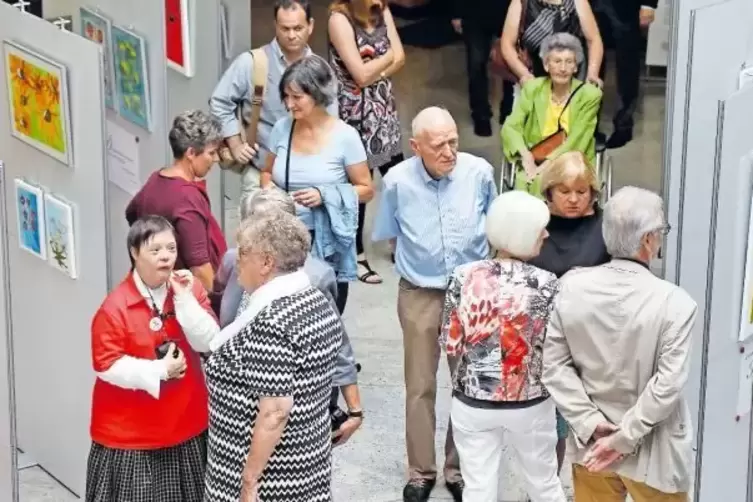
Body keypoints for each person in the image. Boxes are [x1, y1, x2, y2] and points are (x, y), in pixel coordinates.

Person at [372, 106, 497, 502]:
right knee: (420, 385)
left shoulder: (479, 173)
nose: (449, 151)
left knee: (469, 383)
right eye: (439, 145)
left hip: (470, 293)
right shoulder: (396, 182)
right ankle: (420, 472)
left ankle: (458, 470)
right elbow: (390, 236)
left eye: (453, 141)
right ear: (415, 147)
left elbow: (495, 225)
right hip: (419, 292)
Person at [542, 186, 696, 501]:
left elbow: (554, 366)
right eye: (661, 231)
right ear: (648, 239)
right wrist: (624, 439)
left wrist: (590, 422)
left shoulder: (570, 288)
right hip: (657, 452)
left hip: (593, 448)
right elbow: (666, 386)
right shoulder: (676, 303)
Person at [203, 212, 343, 501]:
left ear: (266, 262)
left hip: (271, 479)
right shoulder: (314, 300)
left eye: (243, 252)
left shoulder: (272, 322)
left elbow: (275, 412)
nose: (236, 260)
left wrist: (250, 480)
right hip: (308, 463)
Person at [442, 191, 567, 502]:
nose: (547, 234)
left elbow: (451, 342)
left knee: (478, 488)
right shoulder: (548, 282)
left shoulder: (462, 276)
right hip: (531, 402)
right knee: (544, 486)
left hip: (473, 401)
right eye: (541, 227)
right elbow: (556, 346)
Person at [214, 188, 364, 445]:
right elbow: (219, 317)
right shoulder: (233, 261)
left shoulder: (315, 276)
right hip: (233, 405)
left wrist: (354, 409)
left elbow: (336, 342)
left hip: (290, 408)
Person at [86, 216, 218, 502]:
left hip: (186, 424)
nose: (166, 256)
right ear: (135, 253)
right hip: (130, 436)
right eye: (155, 250)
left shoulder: (189, 288)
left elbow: (209, 341)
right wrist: (158, 370)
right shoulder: (115, 307)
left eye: (171, 248)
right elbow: (105, 364)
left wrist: (185, 301)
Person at [260, 54, 374, 314]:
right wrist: (269, 190)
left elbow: (366, 190)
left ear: (318, 94)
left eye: (297, 97)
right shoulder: (281, 129)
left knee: (326, 314)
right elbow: (266, 172)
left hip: (325, 241)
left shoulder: (345, 137)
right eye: (286, 96)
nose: (290, 104)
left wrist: (324, 195)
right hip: (283, 237)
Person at [527, 151, 610, 471]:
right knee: (549, 428)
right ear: (549, 193)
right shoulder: (535, 225)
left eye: (582, 191)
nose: (574, 199)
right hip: (544, 341)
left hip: (593, 341)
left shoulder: (607, 227)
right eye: (564, 192)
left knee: (593, 427)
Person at [209, 0, 337, 197]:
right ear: (275, 25)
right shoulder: (253, 63)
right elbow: (220, 101)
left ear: (310, 26)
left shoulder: (322, 70)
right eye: (285, 28)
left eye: (298, 28)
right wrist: (235, 144)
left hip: (307, 178)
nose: (292, 35)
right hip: (260, 175)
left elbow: (331, 124)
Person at [329, 0, 406, 285]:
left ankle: (399, 243)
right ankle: (356, 254)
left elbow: (401, 57)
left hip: (385, 115)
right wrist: (385, 63)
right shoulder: (340, 19)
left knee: (400, 180)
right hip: (355, 119)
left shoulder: (382, 9)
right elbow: (360, 75)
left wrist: (374, 71)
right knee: (361, 189)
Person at [125, 110, 226, 312]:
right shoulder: (187, 198)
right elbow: (200, 267)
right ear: (190, 153)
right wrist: (217, 307)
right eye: (211, 153)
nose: (215, 159)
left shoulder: (157, 178)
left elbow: (131, 213)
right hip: (182, 301)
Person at [501, 33, 602, 197]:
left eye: (569, 62)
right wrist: (525, 155)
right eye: (557, 61)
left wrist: (546, 165)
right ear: (546, 65)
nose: (563, 68)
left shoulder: (590, 95)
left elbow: (578, 138)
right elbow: (511, 126)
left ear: (576, 67)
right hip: (535, 156)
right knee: (524, 180)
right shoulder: (533, 89)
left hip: (571, 159)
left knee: (542, 180)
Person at [593, 0, 657, 148]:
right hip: (590, 4)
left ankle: (624, 126)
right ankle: (590, 125)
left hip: (626, 8)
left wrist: (648, 5)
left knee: (627, 65)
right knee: (592, 62)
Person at [450, 0, 515, 137]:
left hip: (507, 10)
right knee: (476, 63)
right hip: (473, 13)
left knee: (511, 60)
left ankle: (509, 107)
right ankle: (481, 114)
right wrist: (456, 13)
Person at [500, 0, 603, 86]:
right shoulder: (521, 2)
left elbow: (593, 39)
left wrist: (592, 74)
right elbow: (507, 43)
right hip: (536, 77)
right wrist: (523, 74)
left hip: (574, 76)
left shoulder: (577, 1)